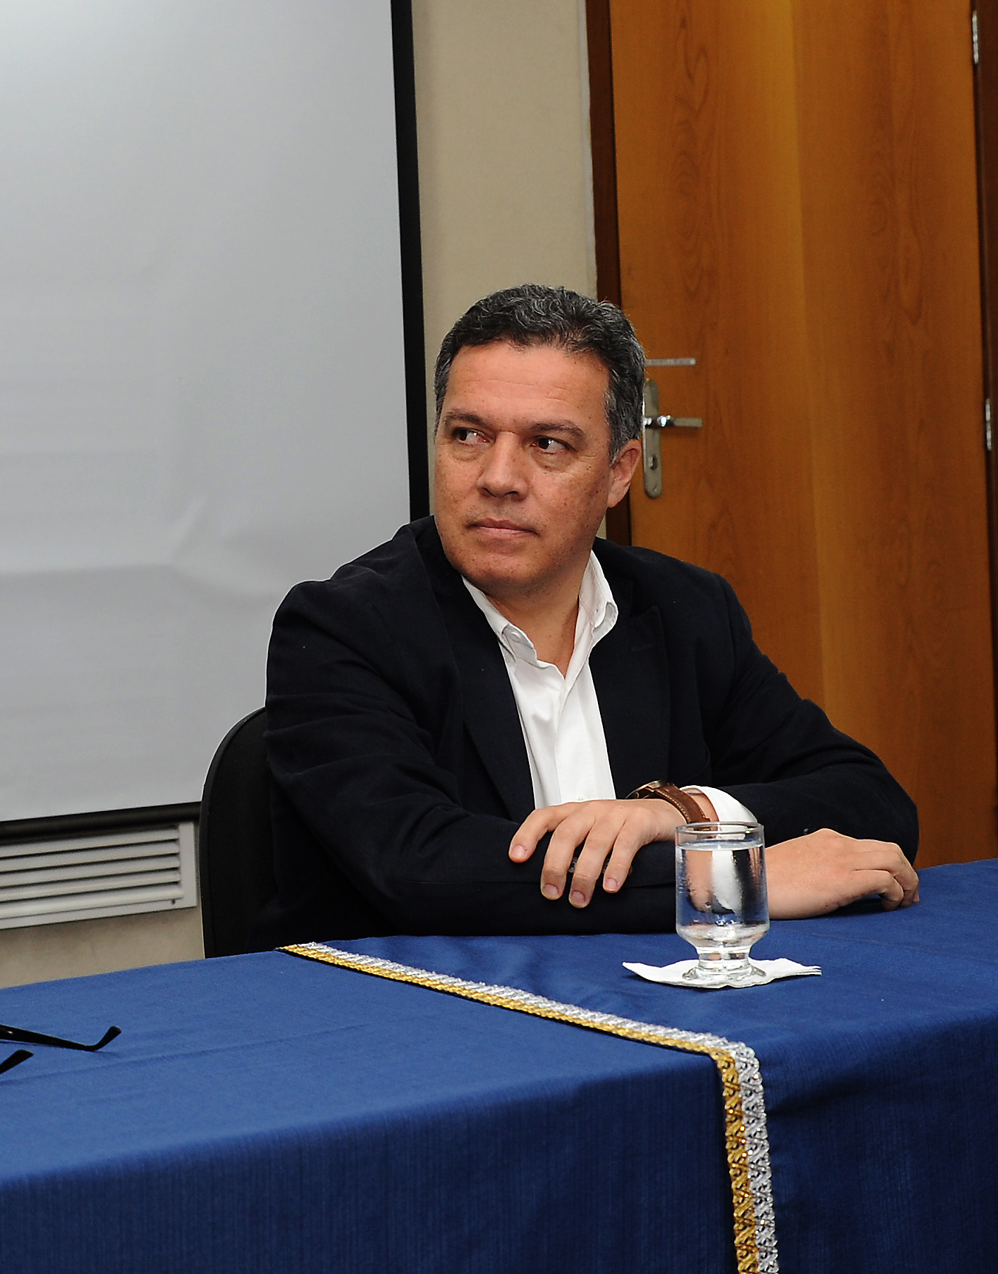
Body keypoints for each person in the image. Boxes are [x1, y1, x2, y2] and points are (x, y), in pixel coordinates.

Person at [259, 284, 918, 948]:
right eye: (468, 435)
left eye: (547, 444)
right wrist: (730, 875)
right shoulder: (343, 626)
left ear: (618, 473)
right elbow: (425, 869)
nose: (498, 477)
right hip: (423, 1022)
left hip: (655, 1003)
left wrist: (681, 814)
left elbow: (872, 802)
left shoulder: (684, 611)